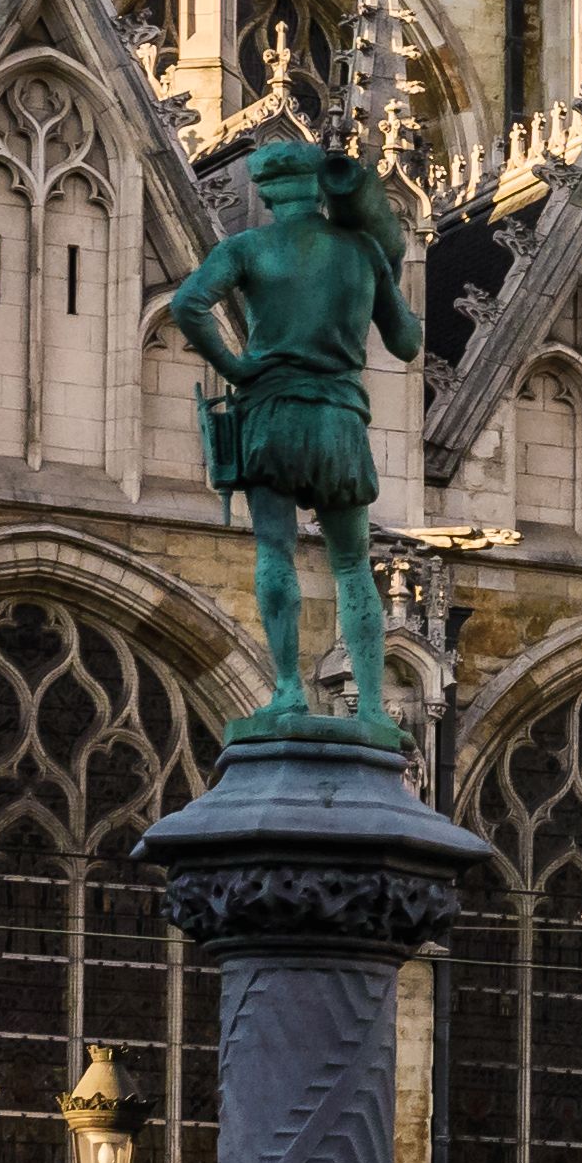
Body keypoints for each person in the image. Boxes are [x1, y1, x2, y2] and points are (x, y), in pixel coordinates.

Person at [156, 140, 423, 729]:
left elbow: (188, 305)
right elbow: (406, 342)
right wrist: (384, 270)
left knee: (274, 549)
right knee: (352, 564)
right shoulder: (362, 252)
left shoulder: (248, 247)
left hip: (271, 413)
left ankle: (286, 690)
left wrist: (236, 367)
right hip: (338, 419)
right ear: (318, 189)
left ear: (269, 193)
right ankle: (374, 707)